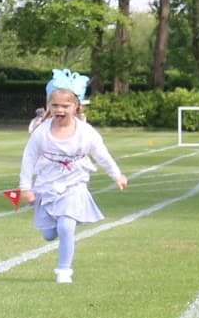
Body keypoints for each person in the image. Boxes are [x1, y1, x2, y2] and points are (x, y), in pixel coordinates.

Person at [19, 70, 127, 283]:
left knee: (66, 226)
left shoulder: (86, 132)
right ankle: (55, 223)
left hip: (75, 183)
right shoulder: (41, 132)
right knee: (49, 234)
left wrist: (117, 175)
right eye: (55, 105)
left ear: (76, 107)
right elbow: (28, 158)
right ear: (49, 106)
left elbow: (102, 155)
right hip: (48, 184)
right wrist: (25, 187)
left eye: (65, 106)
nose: (60, 110)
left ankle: (64, 271)